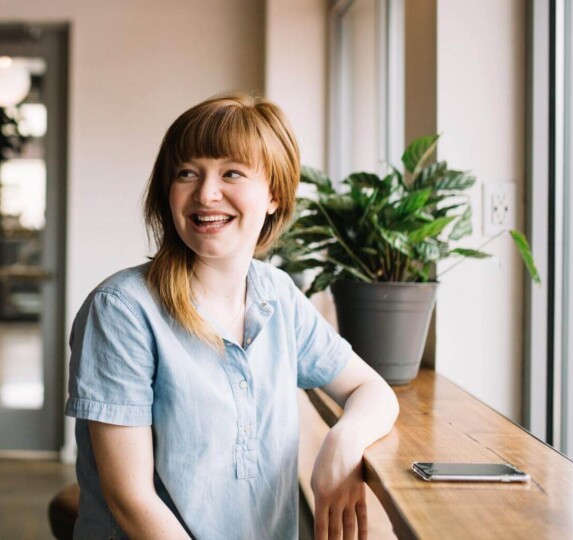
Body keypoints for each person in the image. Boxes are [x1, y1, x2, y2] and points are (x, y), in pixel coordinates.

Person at [64, 92, 399, 540]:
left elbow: (371, 389)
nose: (206, 193)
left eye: (231, 173)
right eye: (187, 173)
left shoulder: (277, 294)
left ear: (275, 195)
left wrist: (343, 442)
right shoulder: (121, 309)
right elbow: (131, 500)